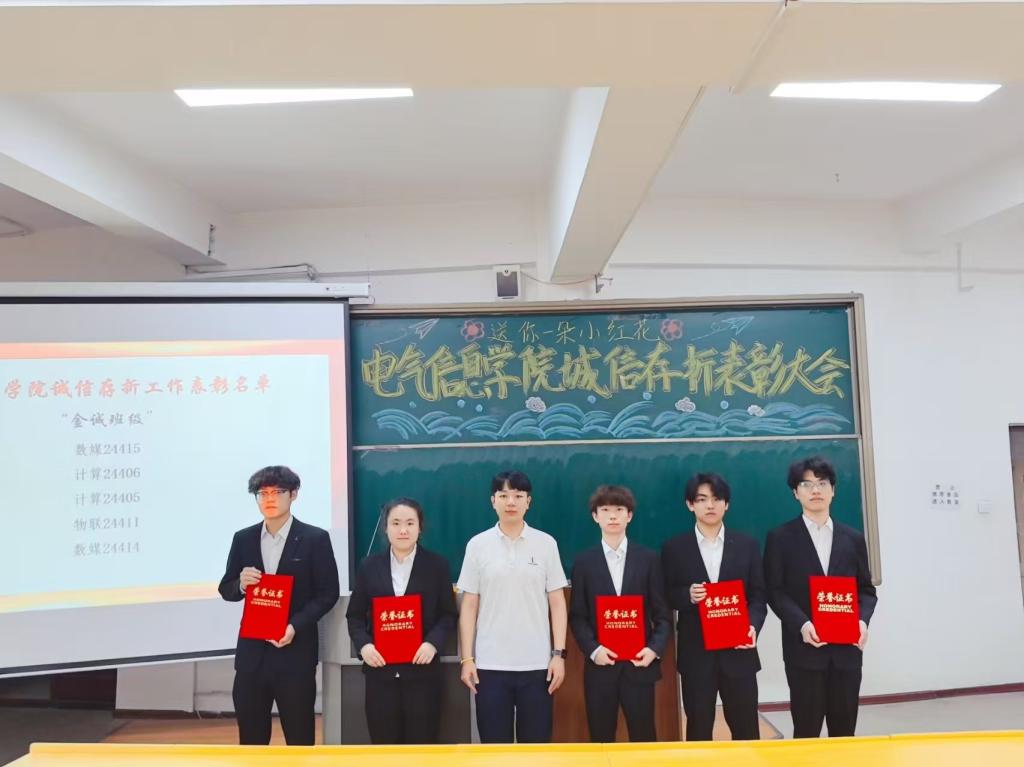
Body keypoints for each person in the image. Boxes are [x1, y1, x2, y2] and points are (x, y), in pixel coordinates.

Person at [218, 465, 340, 745]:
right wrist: (241, 584)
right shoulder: (243, 538)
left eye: (277, 492)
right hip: (252, 656)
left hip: (295, 653)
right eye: (262, 494)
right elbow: (226, 589)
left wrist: (294, 626)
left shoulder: (315, 539)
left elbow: (327, 593)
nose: (269, 499)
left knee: (299, 738)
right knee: (251, 740)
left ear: (293, 494)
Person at [764, 456, 878, 738]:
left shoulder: (853, 538)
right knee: (806, 731)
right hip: (804, 651)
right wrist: (802, 624)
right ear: (795, 492)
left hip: (847, 651)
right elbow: (775, 591)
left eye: (822, 483)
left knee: (844, 732)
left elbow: (866, 591)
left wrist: (862, 622)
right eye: (806, 484)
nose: (815, 490)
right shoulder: (780, 538)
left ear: (833, 490)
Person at [456, 470, 569, 743]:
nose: (511, 502)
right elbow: (469, 605)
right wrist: (467, 659)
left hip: (538, 665)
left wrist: (558, 655)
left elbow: (557, 603)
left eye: (518, 496)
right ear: (492, 501)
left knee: (536, 748)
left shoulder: (546, 544)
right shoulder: (477, 545)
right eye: (504, 495)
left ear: (528, 501)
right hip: (490, 665)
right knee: (495, 748)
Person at [661, 472, 766, 741]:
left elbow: (758, 596)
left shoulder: (747, 545)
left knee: (746, 730)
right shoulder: (674, 548)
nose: (710, 505)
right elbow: (665, 595)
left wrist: (752, 626)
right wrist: (687, 595)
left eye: (717, 499)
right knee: (699, 729)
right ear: (690, 504)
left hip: (739, 653)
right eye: (702, 499)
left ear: (726, 504)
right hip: (697, 655)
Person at [346, 498, 457, 744]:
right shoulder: (369, 566)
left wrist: (432, 643)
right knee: (384, 747)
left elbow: (448, 614)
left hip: (422, 674)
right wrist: (365, 646)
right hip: (380, 673)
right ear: (386, 528)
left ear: (420, 527)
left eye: (410, 523)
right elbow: (354, 615)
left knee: (422, 747)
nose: (403, 530)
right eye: (395, 523)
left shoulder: (437, 565)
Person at [569, 485, 671, 742]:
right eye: (605, 510)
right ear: (595, 516)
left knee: (644, 736)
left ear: (630, 515)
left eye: (619, 509)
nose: (612, 516)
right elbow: (578, 616)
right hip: (600, 668)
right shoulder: (583, 562)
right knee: (601, 738)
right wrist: (594, 651)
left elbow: (662, 614)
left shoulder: (649, 559)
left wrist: (653, 650)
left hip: (639, 665)